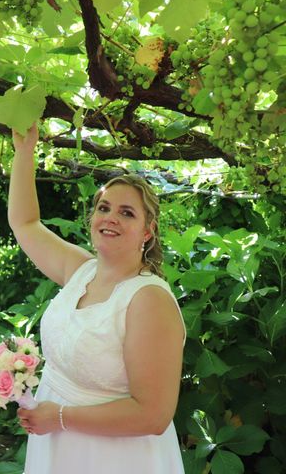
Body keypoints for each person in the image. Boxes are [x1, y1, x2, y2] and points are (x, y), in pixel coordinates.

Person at [10, 124, 186, 473]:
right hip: (56, 446)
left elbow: (153, 415)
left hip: (114, 458)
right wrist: (25, 151)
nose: (110, 218)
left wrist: (59, 418)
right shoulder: (80, 270)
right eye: (104, 208)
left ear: (148, 231)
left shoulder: (148, 300)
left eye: (127, 212)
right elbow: (25, 223)